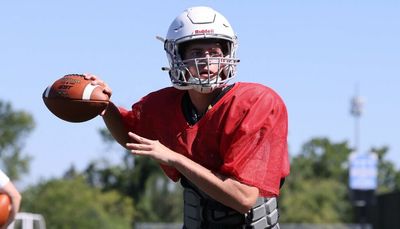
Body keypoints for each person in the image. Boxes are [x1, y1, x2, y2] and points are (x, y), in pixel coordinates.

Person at [86, 6, 289, 229]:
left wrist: (175, 158)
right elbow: (130, 137)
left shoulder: (255, 103)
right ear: (177, 57)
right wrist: (103, 104)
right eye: (196, 53)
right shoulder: (163, 105)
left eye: (214, 52)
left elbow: (243, 198)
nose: (207, 61)